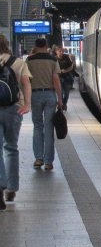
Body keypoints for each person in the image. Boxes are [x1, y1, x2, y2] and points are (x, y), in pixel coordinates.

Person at [0, 35, 32, 208]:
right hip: (14, 109)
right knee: (11, 148)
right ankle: (11, 188)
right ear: (7, 46)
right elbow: (26, 82)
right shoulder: (18, 62)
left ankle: (0, 184)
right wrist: (27, 104)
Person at [26, 38, 63, 172]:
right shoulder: (53, 60)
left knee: (37, 126)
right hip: (49, 95)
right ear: (46, 45)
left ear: (35, 46)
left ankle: (38, 159)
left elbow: (26, 80)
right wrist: (60, 99)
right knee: (48, 128)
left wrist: (26, 100)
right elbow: (56, 79)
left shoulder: (29, 60)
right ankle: (48, 162)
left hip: (35, 95)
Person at [54, 45, 75, 111]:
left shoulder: (66, 57)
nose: (61, 52)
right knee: (60, 92)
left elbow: (71, 66)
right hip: (58, 78)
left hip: (67, 77)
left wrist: (65, 70)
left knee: (66, 93)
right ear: (56, 51)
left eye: (62, 51)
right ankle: (61, 105)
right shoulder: (54, 59)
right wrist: (58, 71)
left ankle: (64, 103)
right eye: (59, 51)